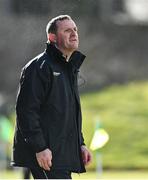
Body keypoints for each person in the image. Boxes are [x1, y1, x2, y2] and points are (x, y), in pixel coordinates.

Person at [11, 15, 92, 179]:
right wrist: (40, 148)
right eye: (67, 30)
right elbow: (26, 111)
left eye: (75, 29)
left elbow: (68, 114)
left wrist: (80, 144)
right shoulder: (38, 67)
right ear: (52, 37)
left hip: (62, 155)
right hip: (45, 156)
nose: (74, 33)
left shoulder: (69, 68)